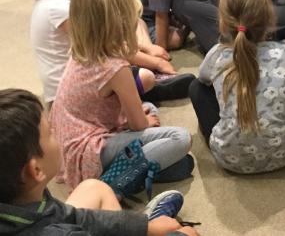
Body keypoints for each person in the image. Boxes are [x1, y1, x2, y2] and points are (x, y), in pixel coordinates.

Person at [13, 0, 191, 108]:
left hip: (89, 67)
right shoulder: (57, 10)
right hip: (73, 91)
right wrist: (156, 61)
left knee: (136, 21)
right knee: (145, 77)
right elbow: (108, 49)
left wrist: (145, 47)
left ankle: (140, 70)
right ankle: (141, 89)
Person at [49, 0, 193, 189]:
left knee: (149, 108)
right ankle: (115, 181)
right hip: (89, 149)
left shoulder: (82, 49)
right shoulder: (116, 68)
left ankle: (139, 166)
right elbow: (138, 124)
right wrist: (143, 124)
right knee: (180, 138)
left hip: (69, 139)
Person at [0, 88, 198, 236]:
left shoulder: (26, 201)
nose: (57, 134)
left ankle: (148, 218)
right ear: (36, 170)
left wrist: (145, 226)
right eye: (50, 133)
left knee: (94, 187)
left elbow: (75, 217)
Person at [189, 0, 285, 174]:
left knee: (196, 88)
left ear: (222, 22)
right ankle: (282, 132)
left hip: (229, 159)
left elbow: (203, 80)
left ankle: (228, 136)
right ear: (270, 20)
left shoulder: (217, 54)